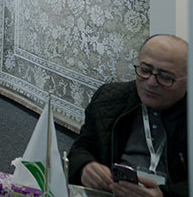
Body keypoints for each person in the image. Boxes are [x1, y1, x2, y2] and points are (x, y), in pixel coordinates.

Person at [68, 34, 188, 197]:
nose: (151, 82)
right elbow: (81, 147)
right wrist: (84, 167)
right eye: (145, 70)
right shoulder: (108, 99)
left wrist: (164, 195)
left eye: (165, 77)